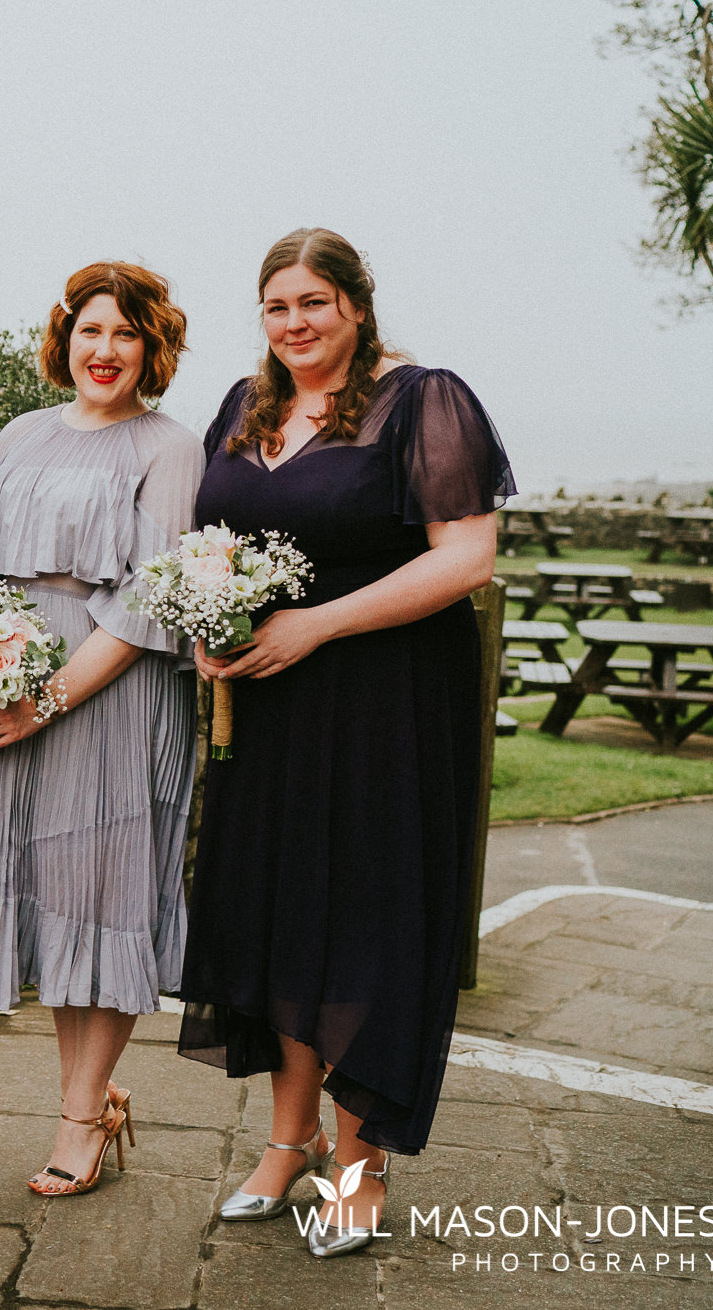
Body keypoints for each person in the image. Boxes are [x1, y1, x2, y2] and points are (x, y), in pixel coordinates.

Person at [177, 228, 512, 1258]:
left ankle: (357, 1170)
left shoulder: (424, 401)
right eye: (275, 307)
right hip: (268, 711)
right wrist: (207, 624)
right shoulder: (243, 407)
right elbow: (213, 544)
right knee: (278, 914)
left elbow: (465, 558)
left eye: (313, 303)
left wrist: (312, 625)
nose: (293, 324)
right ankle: (286, 1144)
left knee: (364, 921)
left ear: (355, 307)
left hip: (384, 705)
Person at [0, 262, 203, 1197]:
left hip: (109, 693)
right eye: (91, 330)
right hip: (13, 682)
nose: (105, 351)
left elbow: (147, 606)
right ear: (65, 336)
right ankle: (90, 1095)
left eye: (126, 334)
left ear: (151, 348)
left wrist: (38, 703)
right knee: (57, 904)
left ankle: (80, 1119)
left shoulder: (170, 447)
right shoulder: (19, 432)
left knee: (105, 899)